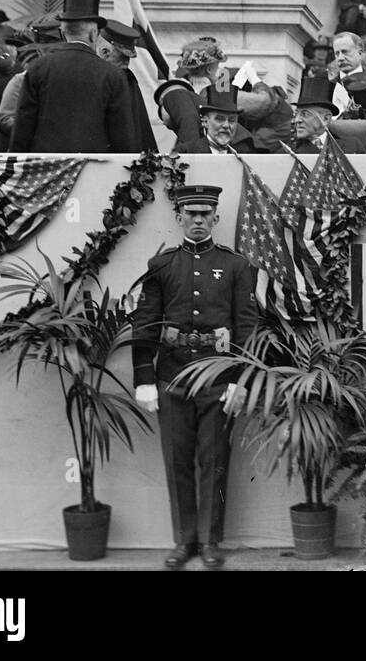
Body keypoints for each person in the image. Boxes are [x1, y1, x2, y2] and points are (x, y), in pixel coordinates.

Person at [132, 184, 259, 569]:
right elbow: (145, 323)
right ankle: (184, 540)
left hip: (219, 380)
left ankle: (210, 541)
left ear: (216, 218)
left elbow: (247, 327)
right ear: (180, 218)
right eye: (192, 214)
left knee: (215, 458)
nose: (199, 220)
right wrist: (143, 378)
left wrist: (241, 381)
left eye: (206, 214)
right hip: (172, 377)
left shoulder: (237, 267)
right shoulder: (162, 267)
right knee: (178, 460)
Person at [10, 0, 139, 153]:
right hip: (95, 169)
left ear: (63, 33)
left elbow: (23, 128)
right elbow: (123, 137)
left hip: (48, 170)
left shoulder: (38, 68)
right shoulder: (113, 75)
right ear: (94, 33)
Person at [96, 20, 157, 153]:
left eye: (127, 59)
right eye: (122, 58)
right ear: (105, 52)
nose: (126, 64)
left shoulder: (122, 78)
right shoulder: (123, 77)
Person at [290, 75, 361, 154]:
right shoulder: (288, 152)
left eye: (305, 114)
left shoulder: (352, 147)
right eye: (296, 114)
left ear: (326, 119)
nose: (297, 120)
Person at [173, 93, 256, 154]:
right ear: (205, 122)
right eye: (219, 119)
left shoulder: (245, 153)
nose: (226, 125)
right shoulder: (186, 151)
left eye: (231, 120)